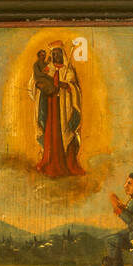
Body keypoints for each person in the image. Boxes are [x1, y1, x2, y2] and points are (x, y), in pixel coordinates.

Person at [29, 40, 84, 178]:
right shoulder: (47, 68)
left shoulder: (68, 69)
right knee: (50, 132)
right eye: (53, 54)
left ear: (62, 54)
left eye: (57, 53)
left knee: (65, 132)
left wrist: (66, 85)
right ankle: (49, 162)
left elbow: (73, 87)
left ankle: (66, 164)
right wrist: (40, 85)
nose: (55, 56)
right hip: (50, 105)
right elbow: (35, 81)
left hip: (63, 108)